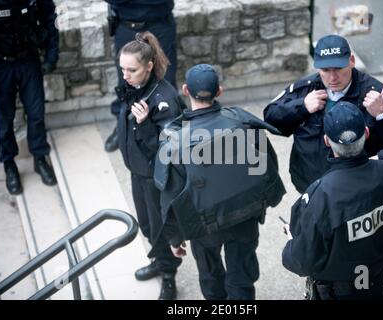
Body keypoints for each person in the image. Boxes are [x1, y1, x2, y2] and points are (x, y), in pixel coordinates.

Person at [152, 64, 286, 299]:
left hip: (205, 227)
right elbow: (268, 167)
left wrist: (175, 238)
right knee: (242, 278)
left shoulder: (175, 138)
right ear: (219, 91)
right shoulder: (241, 121)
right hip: (245, 218)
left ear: (185, 90)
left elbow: (169, 195)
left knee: (210, 277)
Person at [281, 101, 383, 300]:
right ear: (366, 132)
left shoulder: (321, 194)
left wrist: (292, 241)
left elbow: (301, 261)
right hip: (376, 287)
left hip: (337, 293)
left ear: (327, 141)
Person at [264, 34, 383, 194]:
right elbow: (270, 120)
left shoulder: (376, 95)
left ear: (351, 61)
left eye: (338, 68)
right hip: (310, 187)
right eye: (325, 70)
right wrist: (301, 107)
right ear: (317, 67)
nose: (332, 77)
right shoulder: (304, 90)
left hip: (358, 191)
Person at [115, 31, 184, 300]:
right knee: (145, 224)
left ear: (149, 67)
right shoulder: (135, 86)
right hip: (137, 171)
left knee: (161, 228)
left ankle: (168, 274)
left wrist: (144, 126)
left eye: (131, 70)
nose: (125, 75)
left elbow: (169, 151)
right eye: (122, 69)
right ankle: (160, 260)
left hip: (157, 178)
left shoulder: (164, 99)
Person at [0, 0, 59, 195]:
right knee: (4, 120)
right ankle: (9, 165)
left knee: (36, 114)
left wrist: (51, 57)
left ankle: (39, 158)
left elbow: (49, 18)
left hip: (29, 60)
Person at [103, 0, 178, 152]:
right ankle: (123, 127)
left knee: (165, 82)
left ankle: (169, 131)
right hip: (126, 26)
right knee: (126, 82)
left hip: (159, 24)